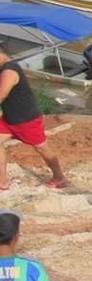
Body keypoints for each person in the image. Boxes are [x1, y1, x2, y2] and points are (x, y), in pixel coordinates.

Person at [0, 44, 68, 190]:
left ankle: (59, 177)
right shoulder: (4, 68)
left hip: (26, 119)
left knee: (42, 148)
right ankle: (2, 181)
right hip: (9, 118)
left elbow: (2, 94)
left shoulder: (9, 71)